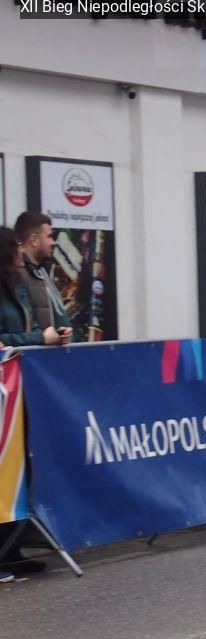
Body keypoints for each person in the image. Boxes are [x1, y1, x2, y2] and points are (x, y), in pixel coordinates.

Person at [0, 226, 61, 575]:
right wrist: (39, 338)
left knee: (19, 468)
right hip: (4, 390)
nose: (20, 252)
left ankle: (12, 549)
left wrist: (49, 335)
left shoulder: (17, 285)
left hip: (18, 388)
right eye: (15, 247)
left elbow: (24, 329)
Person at [14, 211, 73, 345]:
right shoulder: (17, 275)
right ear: (34, 240)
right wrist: (44, 338)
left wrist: (62, 333)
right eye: (49, 237)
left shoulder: (42, 272)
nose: (53, 242)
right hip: (35, 356)